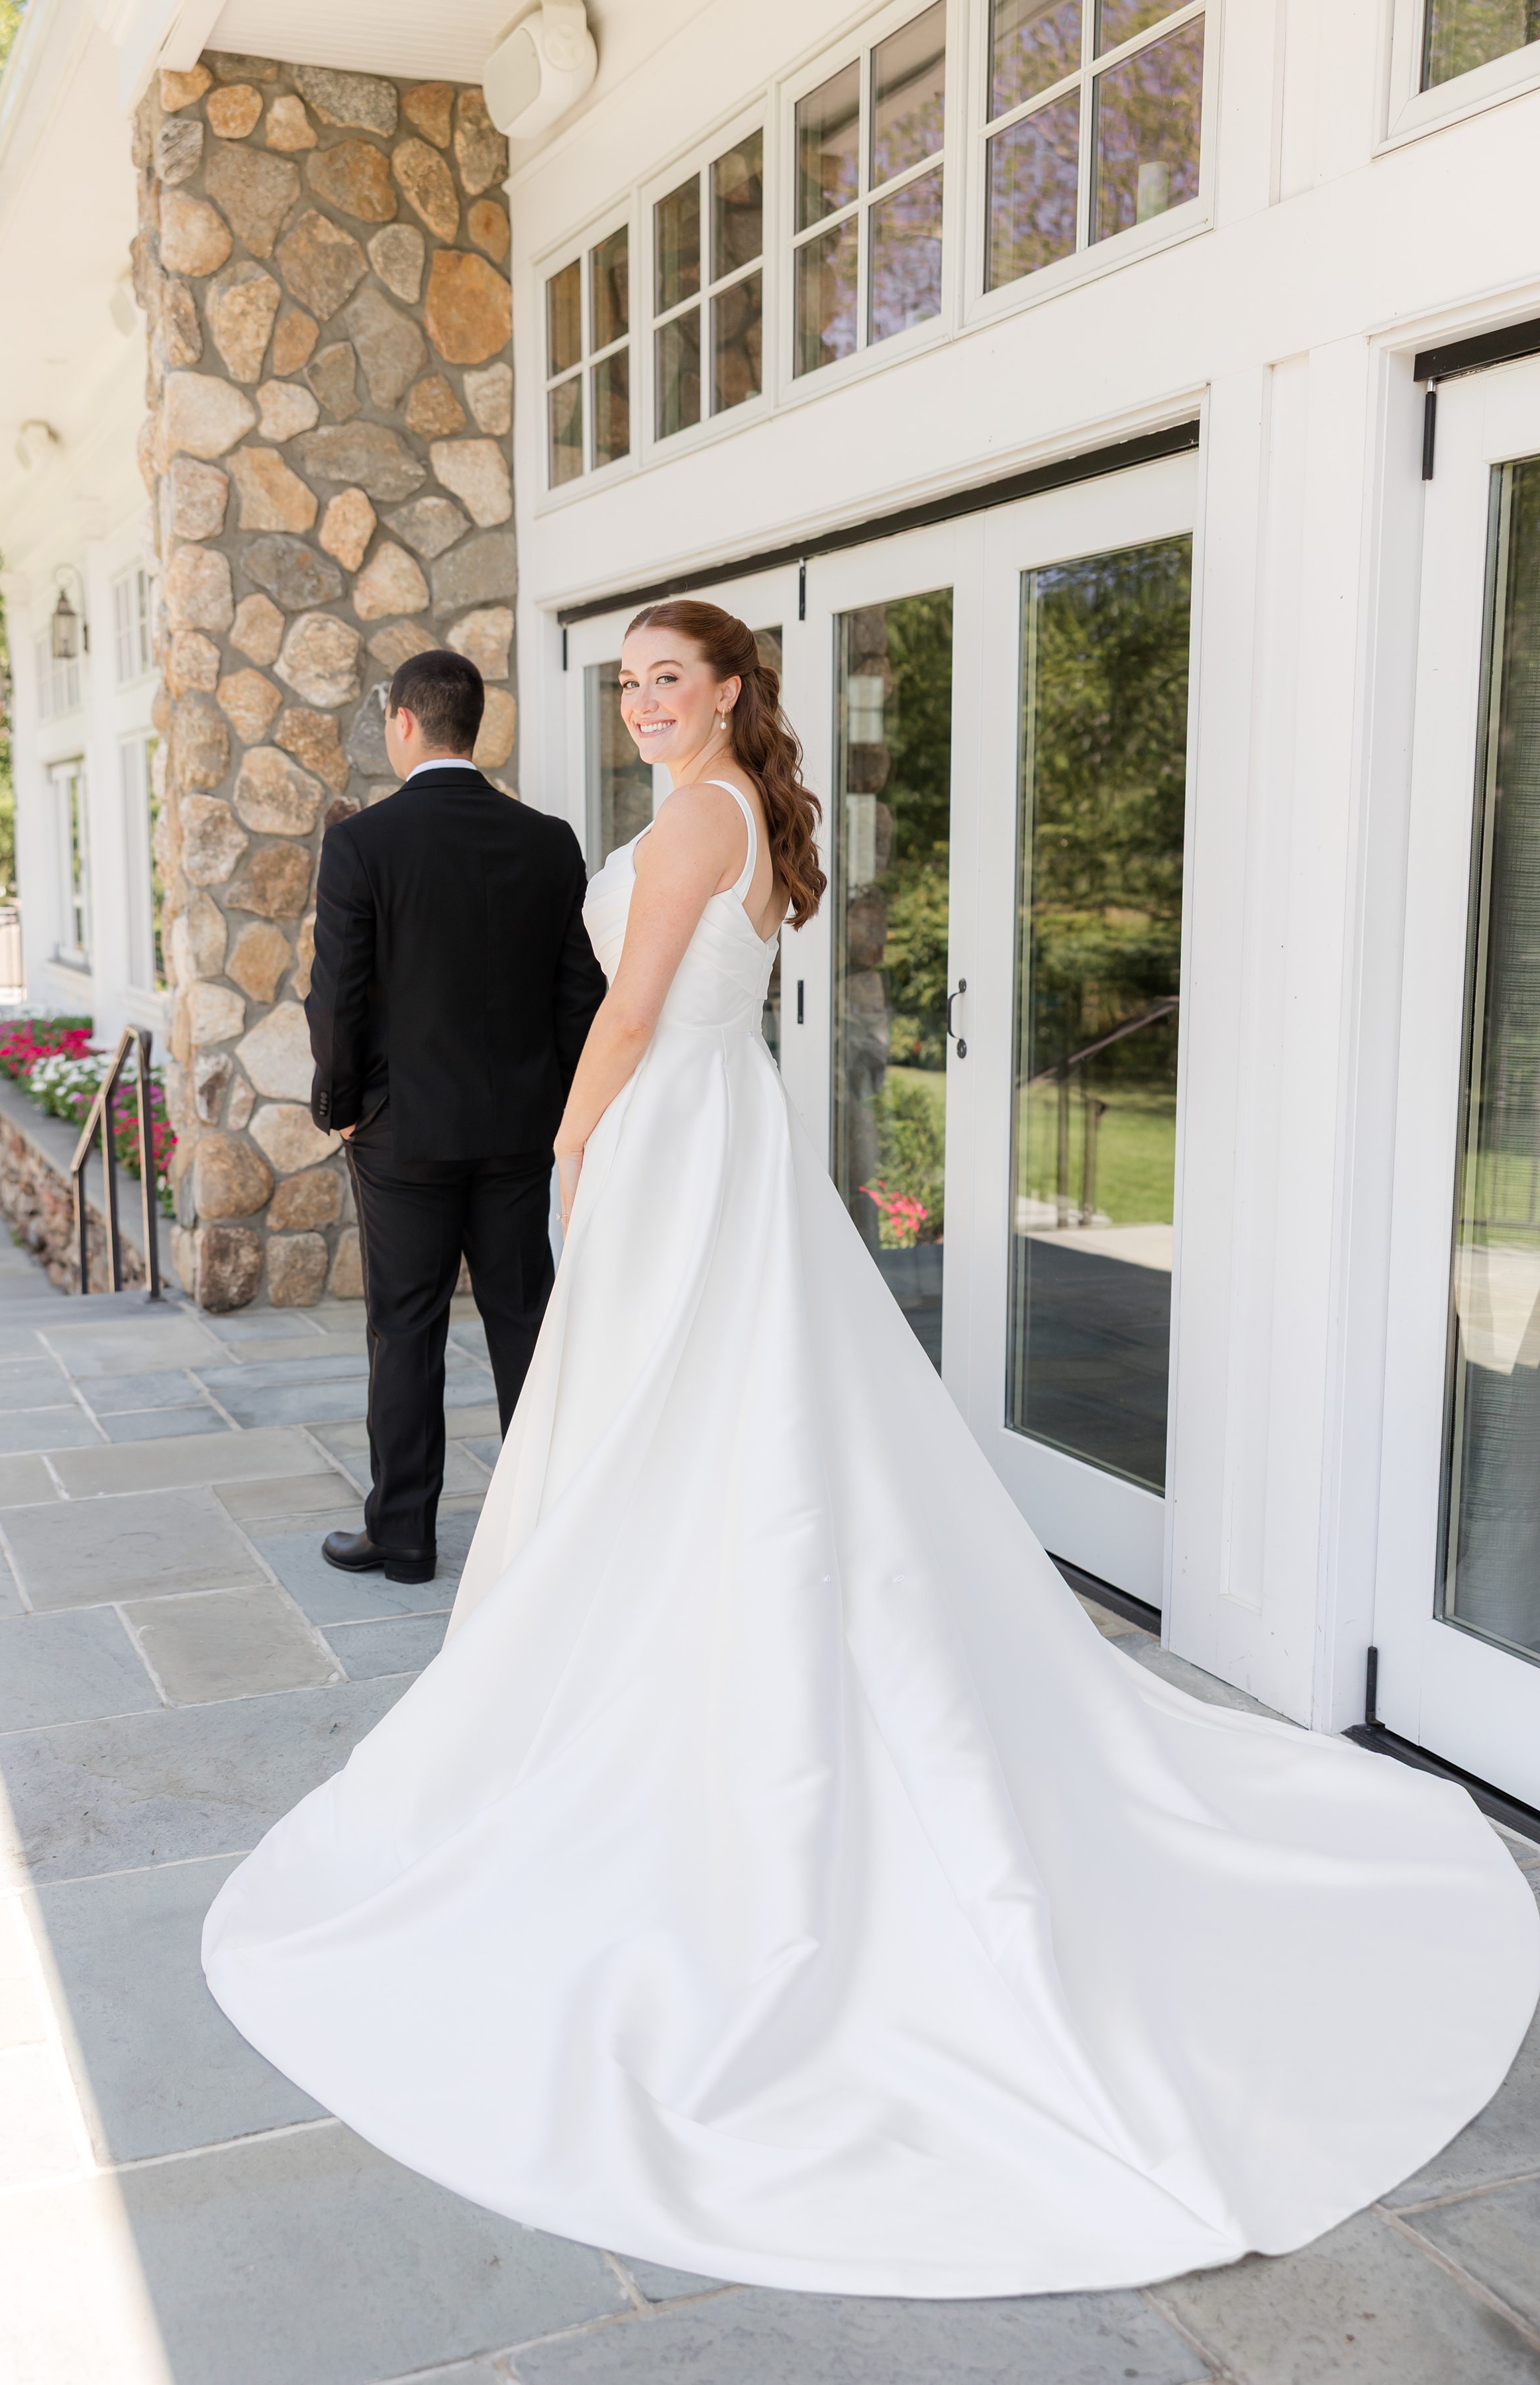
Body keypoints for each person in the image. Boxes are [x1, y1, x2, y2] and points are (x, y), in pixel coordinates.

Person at [207, 604, 1539, 2298]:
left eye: (669, 679)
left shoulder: (701, 815)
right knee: (722, 1424)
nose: (642, 705)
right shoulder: (741, 812)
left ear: (734, 689)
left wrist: (570, 1153)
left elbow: (624, 1022)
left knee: (682, 1421)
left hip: (673, 1134)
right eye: (626, 685)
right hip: (721, 1132)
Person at [303, 649, 604, 1587]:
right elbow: (577, 998)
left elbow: (337, 998)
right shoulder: (548, 841)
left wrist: (342, 1110)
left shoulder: (362, 844)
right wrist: (558, 1117)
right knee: (525, 1322)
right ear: (477, 727)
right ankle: (546, 1533)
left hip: (403, 1136)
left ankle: (404, 1539)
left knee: (406, 1329)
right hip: (519, 1133)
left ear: (403, 722)